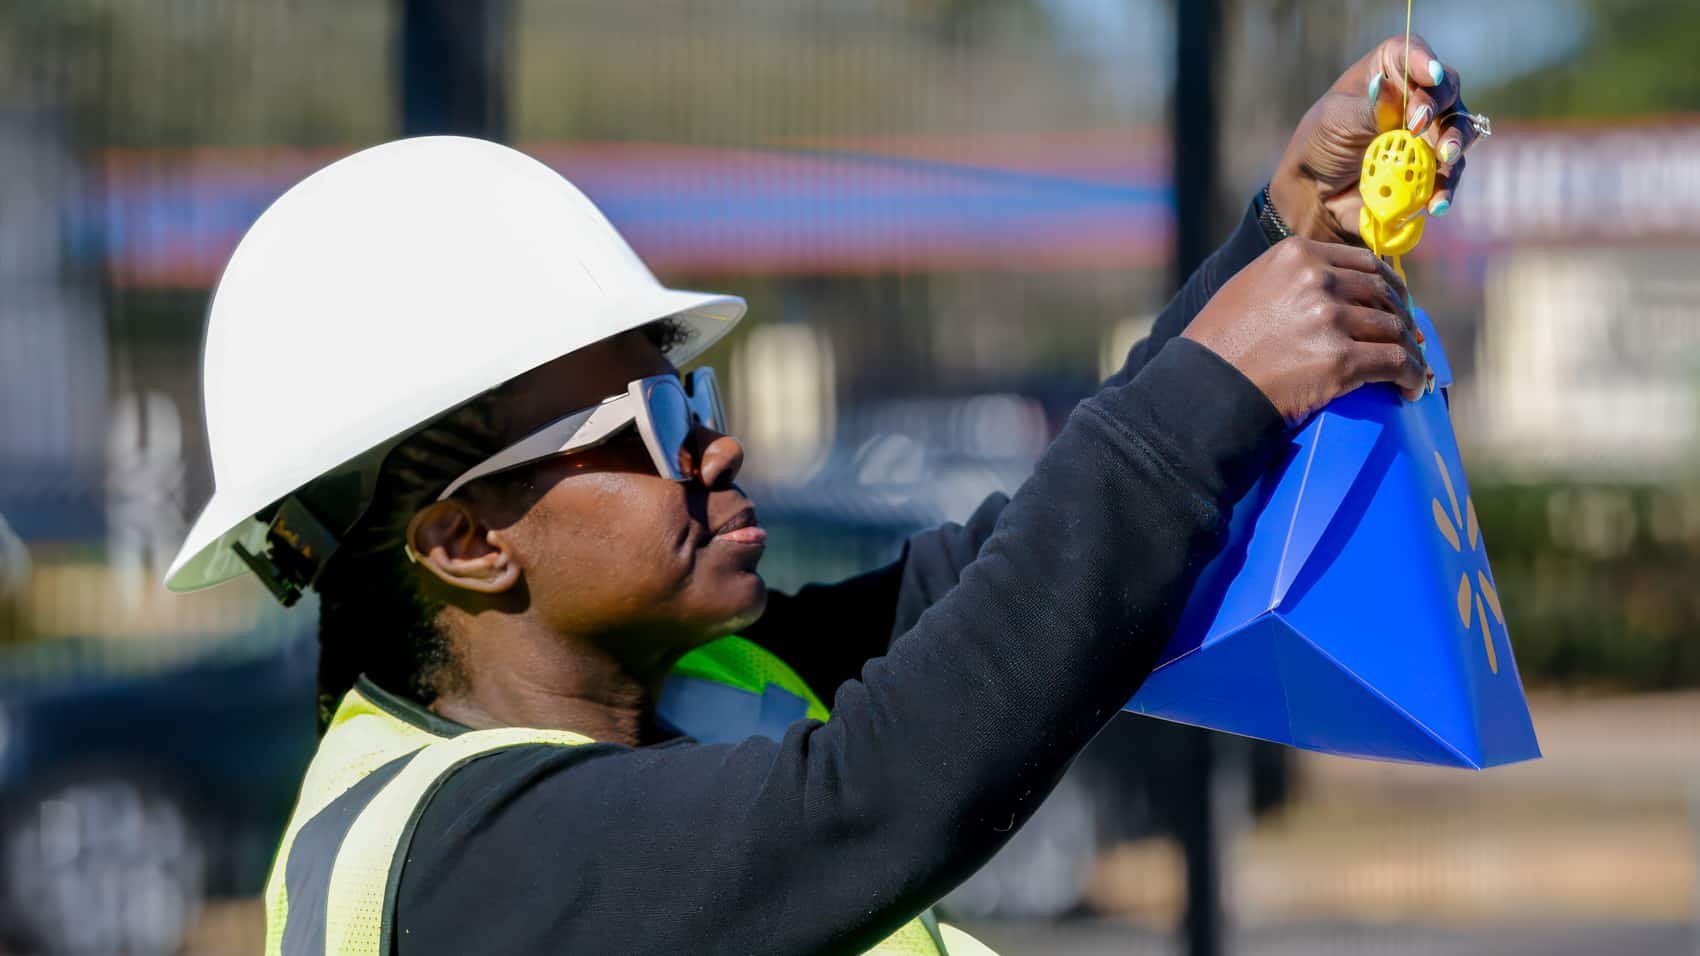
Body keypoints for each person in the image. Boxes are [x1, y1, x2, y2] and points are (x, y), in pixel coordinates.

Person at [166, 36, 1476, 956]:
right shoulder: (457, 859)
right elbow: (878, 790)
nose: (717, 446)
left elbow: (996, 584)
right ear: (465, 541)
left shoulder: (689, 688)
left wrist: (1285, 239)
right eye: (651, 422)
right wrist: (1211, 392)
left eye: (694, 396)